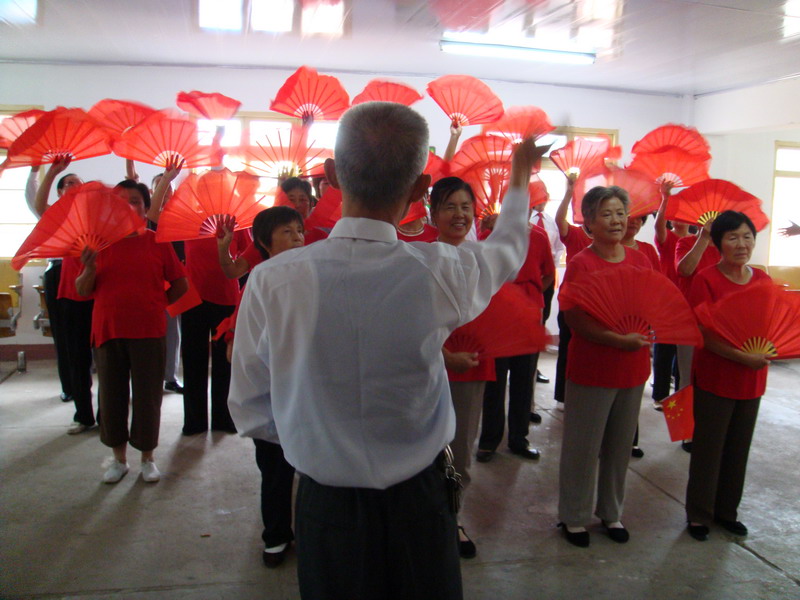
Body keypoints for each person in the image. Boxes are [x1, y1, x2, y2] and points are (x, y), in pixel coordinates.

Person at [228, 102, 545, 600]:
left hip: (325, 502)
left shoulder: (272, 280)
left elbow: (250, 407)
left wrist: (318, 437)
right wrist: (520, 177)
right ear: (420, 189)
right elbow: (507, 248)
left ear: (332, 175)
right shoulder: (441, 271)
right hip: (420, 499)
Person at [557, 185, 654, 548]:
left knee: (619, 447)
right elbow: (574, 317)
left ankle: (611, 512)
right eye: (606, 214)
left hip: (632, 368)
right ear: (589, 222)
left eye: (620, 213)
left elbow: (652, 305)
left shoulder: (640, 261)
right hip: (592, 369)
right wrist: (615, 339)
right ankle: (574, 516)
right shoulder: (582, 263)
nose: (616, 221)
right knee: (583, 446)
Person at [76, 180, 188, 483]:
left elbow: (181, 283)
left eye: (135, 201)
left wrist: (157, 304)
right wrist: (88, 268)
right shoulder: (97, 244)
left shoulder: (157, 241)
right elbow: (83, 290)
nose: (127, 206)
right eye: (120, 201)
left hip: (149, 331)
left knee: (148, 397)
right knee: (111, 397)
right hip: (108, 329)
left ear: (145, 207)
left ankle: (147, 458)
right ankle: (118, 460)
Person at [685, 211, 772, 542]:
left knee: (738, 449)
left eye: (747, 236)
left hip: (752, 379)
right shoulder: (706, 280)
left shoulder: (762, 280)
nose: (742, 244)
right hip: (717, 377)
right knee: (708, 449)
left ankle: (727, 512)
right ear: (719, 243)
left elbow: (770, 324)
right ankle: (699, 515)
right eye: (733, 237)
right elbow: (703, 334)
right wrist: (741, 357)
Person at [228, 206, 305, 567]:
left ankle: (309, 532)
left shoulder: (313, 272)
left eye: (299, 231)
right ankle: (276, 534)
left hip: (305, 389)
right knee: (275, 470)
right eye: (286, 232)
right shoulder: (260, 278)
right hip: (271, 391)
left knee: (312, 468)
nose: (297, 238)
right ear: (264, 241)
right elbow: (249, 342)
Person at [148, 160, 245, 436]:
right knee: (193, 361)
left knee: (224, 363)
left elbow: (247, 257)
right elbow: (153, 215)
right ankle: (194, 420)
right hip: (193, 297)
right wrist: (167, 179)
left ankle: (223, 418)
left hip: (226, 296)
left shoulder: (237, 221)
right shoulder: (187, 217)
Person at [429, 176, 495, 559]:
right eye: (450, 206)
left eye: (466, 207)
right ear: (433, 214)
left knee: (460, 453)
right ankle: (423, 520)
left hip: (471, 369)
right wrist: (442, 355)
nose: (459, 214)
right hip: (426, 369)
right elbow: (410, 325)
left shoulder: (483, 260)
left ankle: (451, 520)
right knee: (423, 450)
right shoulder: (420, 260)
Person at [476, 210, 554, 462]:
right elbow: (477, 267)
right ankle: (489, 440)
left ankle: (519, 438)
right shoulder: (491, 234)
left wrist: (528, 298)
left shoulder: (539, 237)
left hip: (527, 318)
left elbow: (548, 274)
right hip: (497, 317)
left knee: (523, 380)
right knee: (494, 381)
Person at [34, 157, 94, 432]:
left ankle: (108, 416)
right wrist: (52, 172)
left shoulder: (96, 214)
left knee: (106, 360)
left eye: (78, 183)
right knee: (77, 358)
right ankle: (83, 415)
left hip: (99, 293)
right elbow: (39, 207)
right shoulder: (62, 218)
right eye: (68, 183)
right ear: (60, 191)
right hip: (71, 294)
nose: (74, 186)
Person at [652, 184, 690, 410]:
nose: (680, 221)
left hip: (687, 303)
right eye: (675, 217)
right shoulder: (668, 239)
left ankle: (678, 397)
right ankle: (659, 396)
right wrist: (665, 199)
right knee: (664, 350)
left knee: (682, 353)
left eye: (683, 217)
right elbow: (658, 226)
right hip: (666, 302)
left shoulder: (695, 242)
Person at [149, 170, 185, 395]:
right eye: (161, 187)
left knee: (173, 331)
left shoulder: (181, 217)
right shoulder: (149, 218)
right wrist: (166, 179)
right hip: (153, 279)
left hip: (177, 279)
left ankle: (170, 377)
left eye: (170, 188)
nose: (166, 192)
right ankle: (150, 376)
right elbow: (154, 214)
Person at [553, 173, 584, 411]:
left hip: (596, 306)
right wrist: (569, 191)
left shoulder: (613, 242)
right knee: (567, 349)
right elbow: (559, 220)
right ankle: (564, 396)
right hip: (571, 303)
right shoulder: (576, 235)